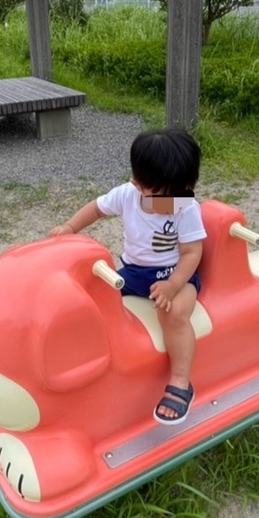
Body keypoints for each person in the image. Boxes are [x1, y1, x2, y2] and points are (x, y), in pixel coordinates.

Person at [50, 128, 205, 424]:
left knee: (174, 315)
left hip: (177, 275)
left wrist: (173, 286)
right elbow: (96, 208)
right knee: (96, 304)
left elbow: (191, 254)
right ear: (138, 185)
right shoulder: (126, 195)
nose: (174, 201)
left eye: (182, 191)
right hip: (134, 273)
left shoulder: (186, 208)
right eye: (163, 196)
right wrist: (70, 228)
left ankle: (181, 381)